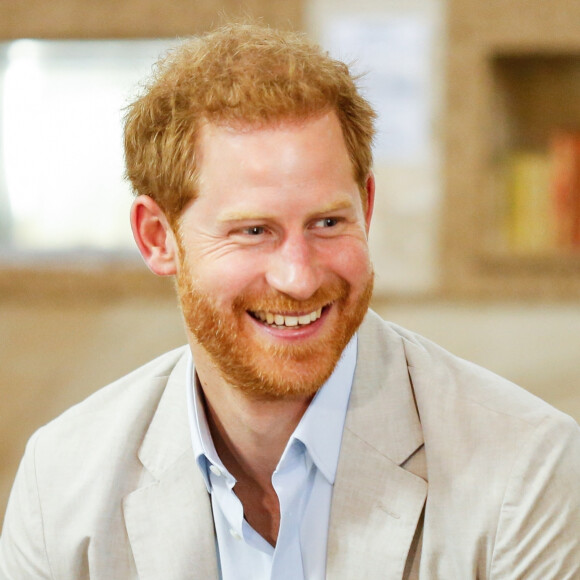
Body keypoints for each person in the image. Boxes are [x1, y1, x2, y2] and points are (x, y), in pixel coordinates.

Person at [1, 22, 579, 580]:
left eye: (328, 222)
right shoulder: (62, 484)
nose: (300, 278)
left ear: (368, 207)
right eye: (254, 231)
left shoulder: (525, 468)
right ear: (158, 237)